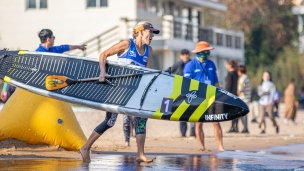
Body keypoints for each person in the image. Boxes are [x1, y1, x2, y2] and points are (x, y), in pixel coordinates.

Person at [80, 21, 160, 163]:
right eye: (150, 32)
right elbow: (103, 55)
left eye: (153, 33)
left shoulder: (149, 50)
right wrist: (103, 73)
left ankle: (140, 154)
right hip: (118, 91)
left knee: (141, 120)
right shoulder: (127, 45)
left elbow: (148, 72)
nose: (152, 35)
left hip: (136, 92)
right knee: (110, 122)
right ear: (141, 31)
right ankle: (85, 147)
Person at [183, 41, 225, 152]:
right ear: (200, 52)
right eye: (206, 51)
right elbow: (186, 84)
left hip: (211, 97)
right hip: (198, 97)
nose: (208, 53)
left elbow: (216, 81)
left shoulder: (211, 64)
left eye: (208, 51)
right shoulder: (189, 66)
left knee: (216, 122)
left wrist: (219, 94)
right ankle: (202, 147)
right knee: (198, 124)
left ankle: (220, 146)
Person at [171, 49, 195, 138]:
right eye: (184, 54)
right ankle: (183, 133)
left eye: (187, 54)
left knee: (193, 111)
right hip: (181, 91)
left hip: (192, 91)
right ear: (181, 56)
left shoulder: (193, 64)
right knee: (182, 112)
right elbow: (168, 72)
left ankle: (193, 132)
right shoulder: (177, 64)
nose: (186, 56)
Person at [225, 59, 239, 133]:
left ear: (230, 65)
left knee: (232, 112)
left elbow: (229, 86)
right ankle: (235, 126)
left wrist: (226, 94)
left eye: (227, 64)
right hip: (236, 95)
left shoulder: (230, 74)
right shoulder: (236, 74)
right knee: (235, 112)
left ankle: (233, 127)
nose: (226, 66)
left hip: (231, 95)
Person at [237, 65, 251, 133]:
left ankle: (245, 128)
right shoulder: (247, 78)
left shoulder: (243, 78)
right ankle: (245, 128)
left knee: (242, 114)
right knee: (243, 114)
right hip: (246, 98)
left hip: (243, 98)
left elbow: (240, 88)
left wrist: (237, 92)